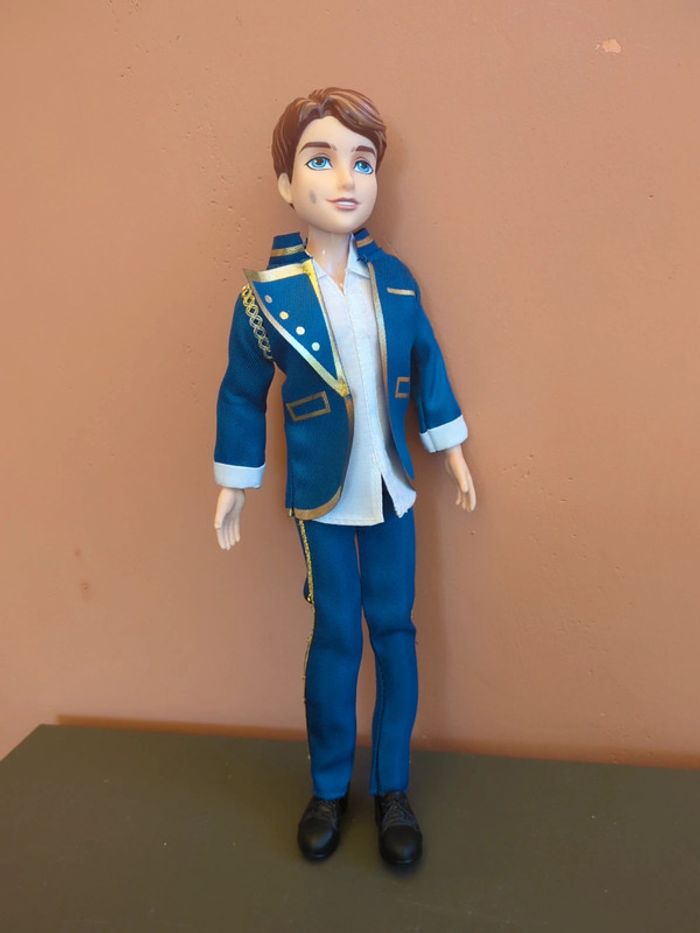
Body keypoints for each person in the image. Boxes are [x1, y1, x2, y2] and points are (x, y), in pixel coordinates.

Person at [213, 87, 476, 866]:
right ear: (286, 183)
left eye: (362, 162)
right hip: (323, 498)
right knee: (335, 636)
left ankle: (393, 787)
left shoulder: (394, 281)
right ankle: (329, 786)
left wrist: (451, 448)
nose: (345, 180)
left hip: (392, 489)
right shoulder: (267, 298)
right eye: (321, 160)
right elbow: (241, 391)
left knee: (395, 632)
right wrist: (236, 480)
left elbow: (427, 363)